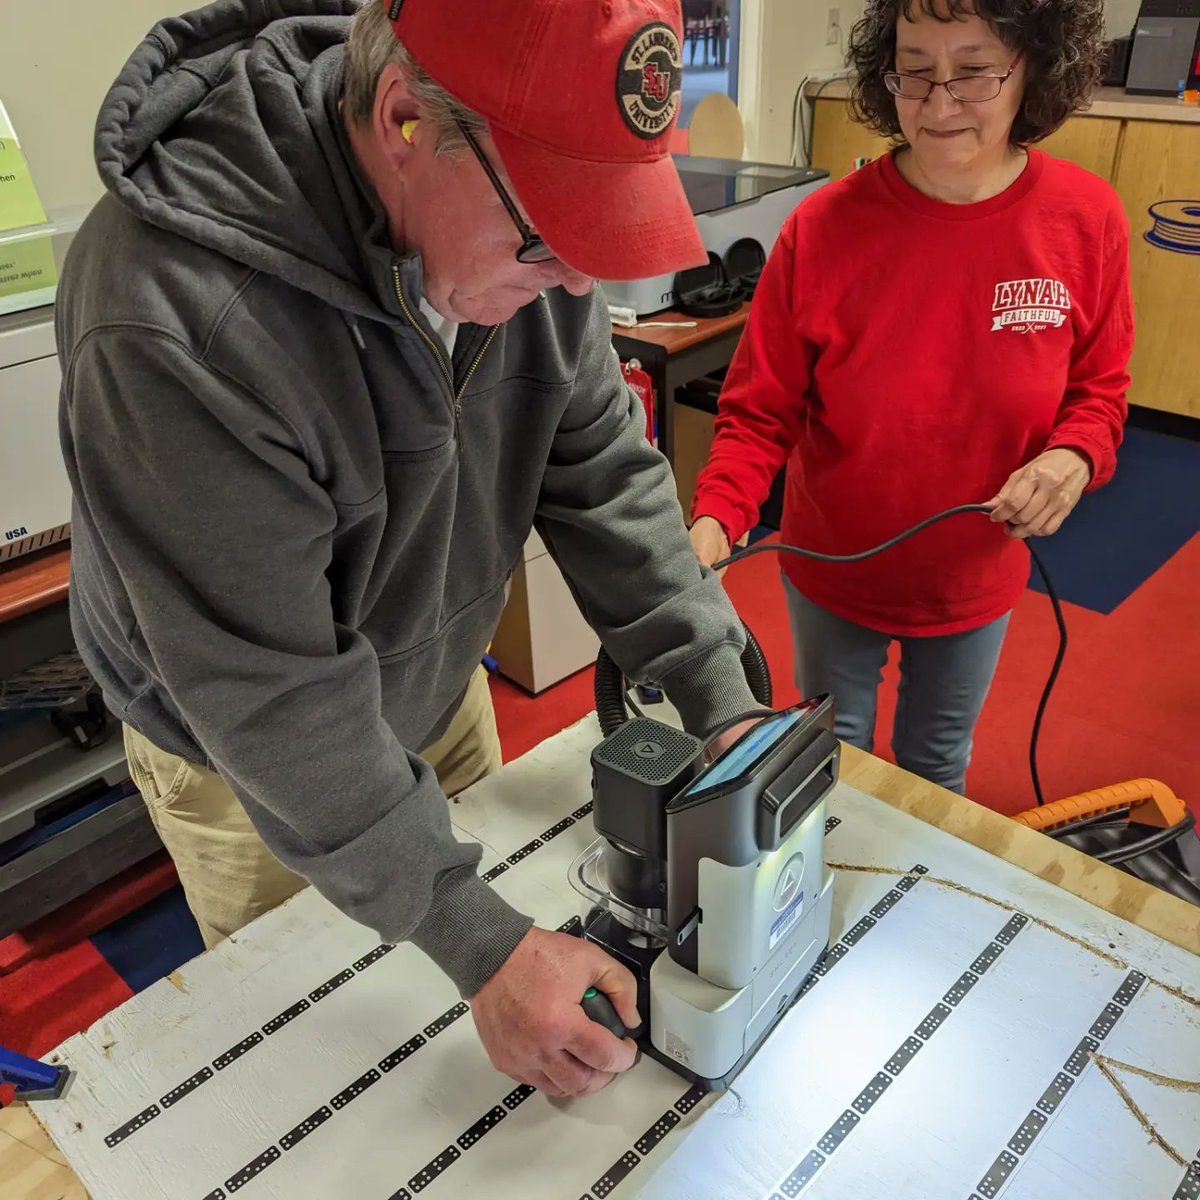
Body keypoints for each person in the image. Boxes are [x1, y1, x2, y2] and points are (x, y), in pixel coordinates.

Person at [58, 0, 762, 1100]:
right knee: (329, 1085)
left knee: (513, 1042)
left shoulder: (510, 234)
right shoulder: (174, 312)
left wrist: (721, 696)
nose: (578, 283)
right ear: (403, 119)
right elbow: (271, 696)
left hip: (432, 680)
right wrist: (473, 936)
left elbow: (599, 468)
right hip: (249, 753)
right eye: (549, 235)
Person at [689, 0, 1132, 796]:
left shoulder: (1085, 219)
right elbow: (759, 412)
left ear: (1031, 67)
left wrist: (1071, 458)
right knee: (835, 766)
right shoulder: (823, 227)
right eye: (915, 70)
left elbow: (1099, 394)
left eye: (971, 72)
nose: (937, 103)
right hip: (834, 571)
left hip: (977, 573)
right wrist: (717, 520)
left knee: (936, 766)